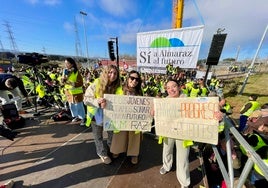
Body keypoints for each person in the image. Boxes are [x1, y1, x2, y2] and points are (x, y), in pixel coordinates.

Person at [83, 65, 123, 164]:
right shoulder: (96, 83)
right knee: (98, 136)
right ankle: (102, 153)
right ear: (105, 72)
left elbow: (121, 99)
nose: (112, 75)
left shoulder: (118, 87)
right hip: (96, 116)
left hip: (111, 116)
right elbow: (86, 99)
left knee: (112, 134)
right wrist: (98, 101)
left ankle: (112, 148)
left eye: (115, 73)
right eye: (110, 72)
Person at [157, 79, 191, 188]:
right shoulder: (165, 100)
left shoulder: (188, 100)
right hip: (168, 131)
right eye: (168, 88)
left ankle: (184, 182)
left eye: (174, 86)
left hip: (183, 132)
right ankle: (166, 166)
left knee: (183, 156)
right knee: (167, 149)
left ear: (179, 87)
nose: (171, 89)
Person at [110, 70, 143, 164]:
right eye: (132, 78)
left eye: (137, 79)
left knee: (134, 136)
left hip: (134, 118)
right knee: (120, 135)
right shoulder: (119, 90)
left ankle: (134, 154)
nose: (134, 81)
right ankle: (117, 150)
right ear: (128, 78)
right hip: (121, 118)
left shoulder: (140, 92)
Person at [61, 57, 86, 126]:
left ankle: (83, 118)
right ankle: (76, 116)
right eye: (65, 63)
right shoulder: (65, 71)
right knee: (72, 106)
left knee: (79, 106)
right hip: (68, 92)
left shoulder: (76, 72)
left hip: (76, 93)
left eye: (68, 63)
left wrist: (70, 82)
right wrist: (62, 80)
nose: (66, 65)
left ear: (72, 64)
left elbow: (80, 83)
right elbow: (62, 82)